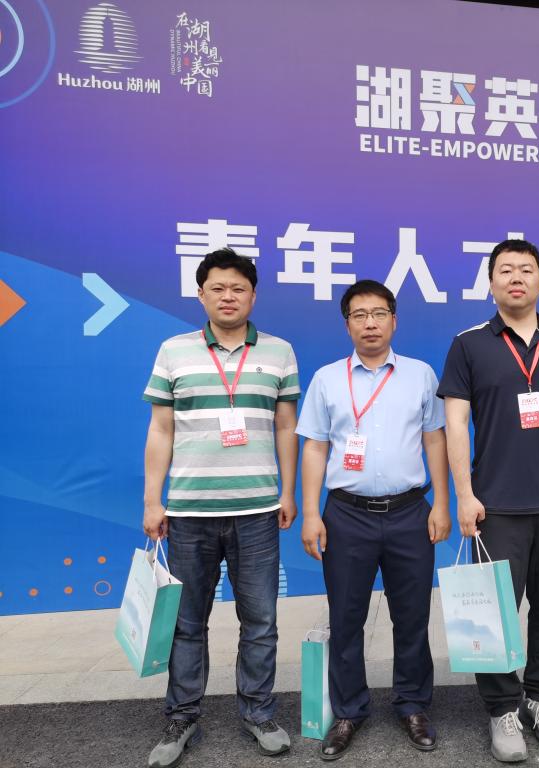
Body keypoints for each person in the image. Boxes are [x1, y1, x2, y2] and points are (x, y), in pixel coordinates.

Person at [437, 239, 539, 763]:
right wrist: (464, 494)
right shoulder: (469, 344)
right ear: (490, 283)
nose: (516, 278)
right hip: (495, 507)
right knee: (496, 615)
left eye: (526, 270)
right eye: (505, 270)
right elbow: (455, 423)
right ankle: (502, 708)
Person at [142, 248, 300, 767]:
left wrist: (288, 492)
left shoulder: (279, 351)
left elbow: (285, 427)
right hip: (190, 512)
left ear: (253, 295)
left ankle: (259, 712)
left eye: (238, 289)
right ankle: (183, 716)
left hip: (257, 511)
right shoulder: (174, 351)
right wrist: (153, 499)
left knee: (261, 621)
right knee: (187, 623)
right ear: (201, 293)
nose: (228, 297)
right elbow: (161, 430)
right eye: (218, 288)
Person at [297, 280, 450, 760]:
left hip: (409, 512)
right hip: (347, 515)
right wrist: (310, 513)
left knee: (413, 616)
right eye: (359, 315)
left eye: (379, 314)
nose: (370, 323)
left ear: (394, 321)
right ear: (347, 324)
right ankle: (349, 711)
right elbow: (315, 448)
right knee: (346, 618)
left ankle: (412, 705)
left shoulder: (420, 375)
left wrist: (442, 503)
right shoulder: (327, 379)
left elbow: (435, 440)